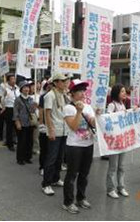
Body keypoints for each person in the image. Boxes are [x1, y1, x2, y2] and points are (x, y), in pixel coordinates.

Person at [62, 79, 96, 214]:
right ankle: (68, 202)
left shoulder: (88, 106)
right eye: (79, 91)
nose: (83, 94)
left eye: (84, 91)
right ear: (72, 94)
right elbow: (74, 127)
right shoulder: (68, 108)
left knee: (85, 174)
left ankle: (81, 198)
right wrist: (78, 111)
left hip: (88, 144)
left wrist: (97, 115)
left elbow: (93, 124)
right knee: (71, 174)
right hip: (74, 146)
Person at [42, 73, 70, 196]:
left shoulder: (63, 95)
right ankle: (46, 184)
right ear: (55, 82)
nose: (65, 83)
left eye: (65, 81)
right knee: (52, 158)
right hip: (55, 130)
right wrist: (51, 130)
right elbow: (46, 114)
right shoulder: (50, 95)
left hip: (64, 130)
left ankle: (55, 178)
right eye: (62, 81)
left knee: (60, 157)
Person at [106, 84, 130, 199]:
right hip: (114, 142)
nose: (124, 93)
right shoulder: (111, 105)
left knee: (122, 166)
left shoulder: (123, 105)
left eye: (125, 91)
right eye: (122, 91)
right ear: (116, 93)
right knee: (113, 167)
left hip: (123, 140)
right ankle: (110, 188)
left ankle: (121, 187)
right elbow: (109, 119)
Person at [14, 80, 36, 165]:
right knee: (21, 141)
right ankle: (20, 158)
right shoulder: (18, 99)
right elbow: (15, 112)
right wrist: (17, 122)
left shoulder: (31, 99)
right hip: (21, 123)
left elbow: (32, 111)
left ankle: (28, 157)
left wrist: (34, 107)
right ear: (21, 89)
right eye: (25, 87)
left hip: (30, 123)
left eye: (28, 87)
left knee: (29, 141)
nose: (27, 89)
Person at [1, 73, 20, 151]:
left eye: (14, 79)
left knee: (17, 127)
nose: (14, 81)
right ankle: (10, 144)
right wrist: (3, 105)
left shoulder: (18, 88)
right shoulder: (5, 89)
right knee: (9, 127)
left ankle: (17, 142)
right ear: (8, 81)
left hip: (17, 109)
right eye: (12, 79)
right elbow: (1, 100)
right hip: (9, 109)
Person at [38, 79, 53, 175]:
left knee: (52, 149)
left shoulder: (60, 96)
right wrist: (41, 124)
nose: (50, 87)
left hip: (55, 126)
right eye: (49, 85)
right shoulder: (43, 97)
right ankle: (42, 166)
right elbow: (41, 110)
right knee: (44, 148)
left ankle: (52, 167)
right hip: (45, 125)